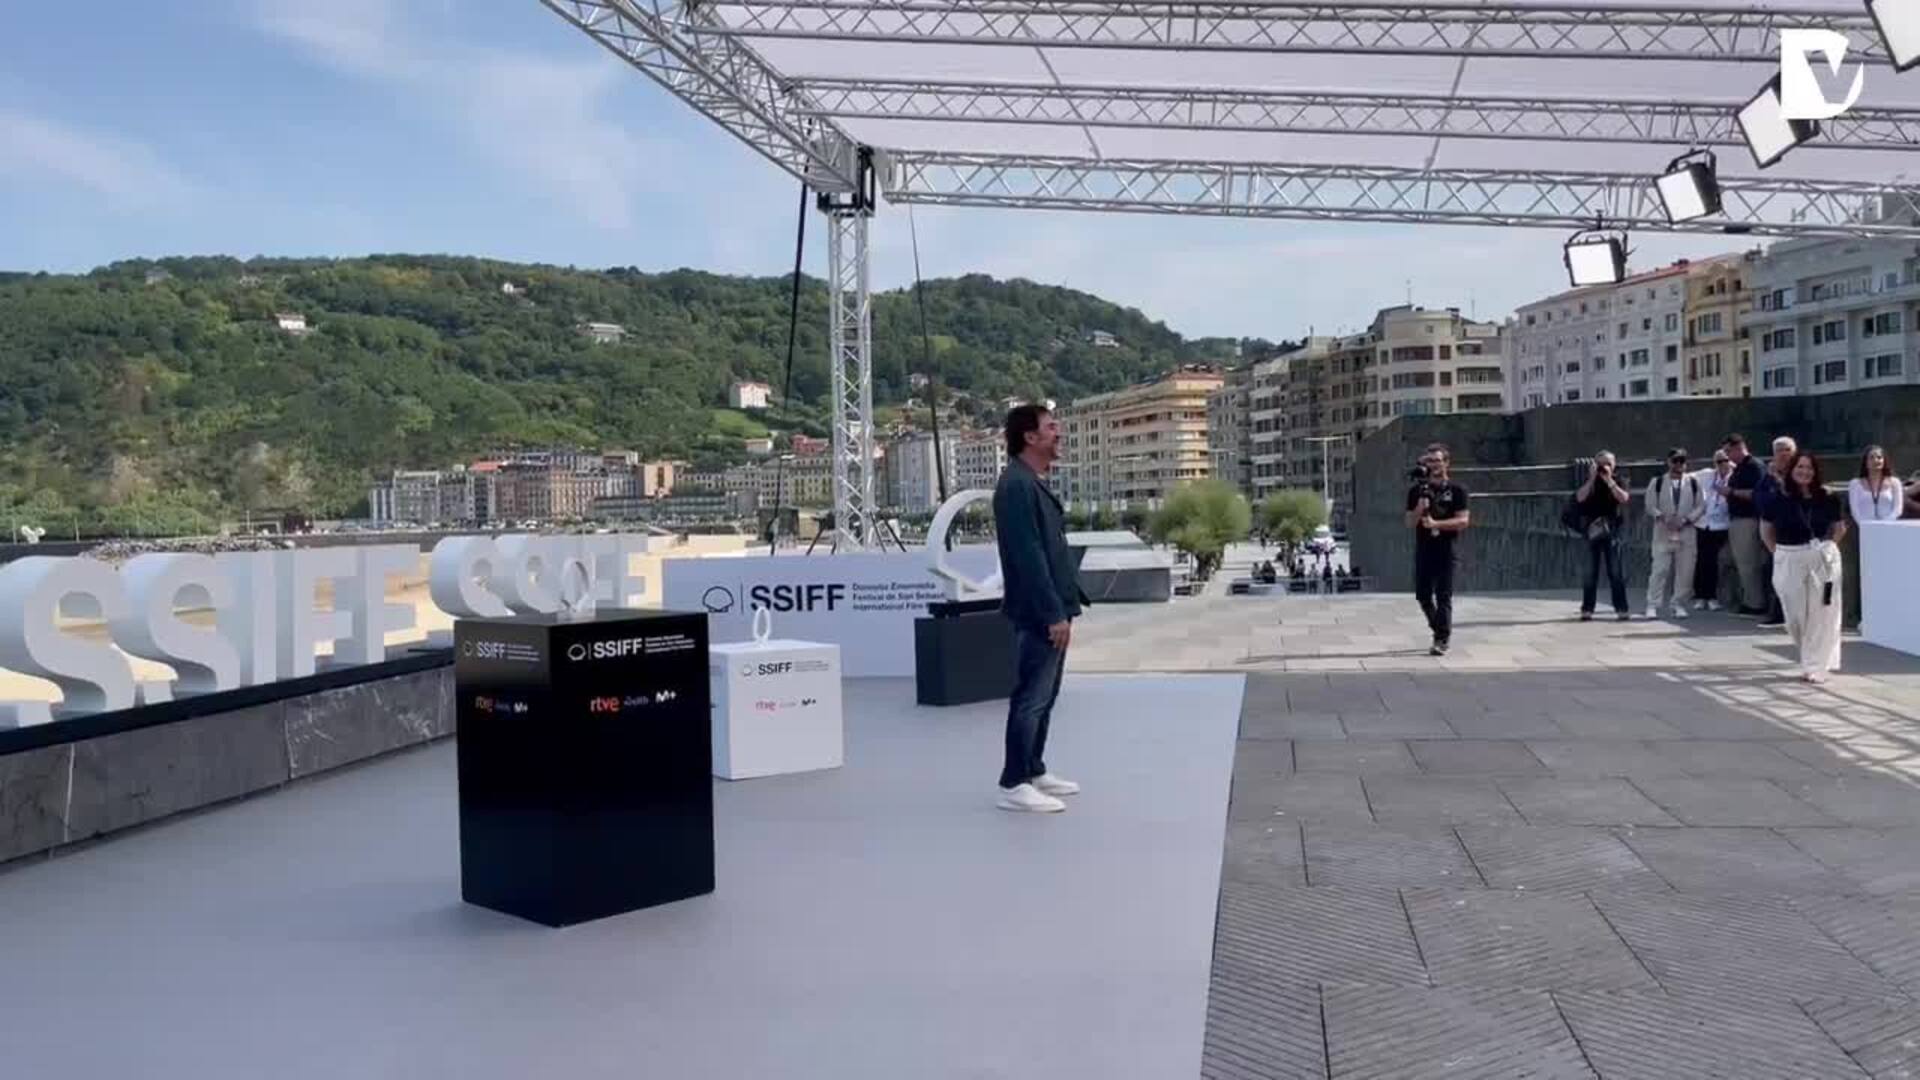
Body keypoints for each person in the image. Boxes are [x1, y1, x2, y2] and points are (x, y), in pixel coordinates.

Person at [992, 403, 1088, 814]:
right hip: (1039, 612)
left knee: (1046, 696)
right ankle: (1014, 783)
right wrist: (1052, 614)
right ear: (1029, 437)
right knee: (1031, 697)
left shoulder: (1029, 482)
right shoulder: (1017, 486)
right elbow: (1029, 556)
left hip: (1053, 608)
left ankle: (1033, 768)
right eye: (1051, 427)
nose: (1058, 432)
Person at [1763, 452, 1846, 683]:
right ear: (1792, 469)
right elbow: (1765, 529)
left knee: (1821, 613)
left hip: (1822, 558)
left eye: (1809, 468)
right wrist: (1778, 554)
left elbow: (1839, 528)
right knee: (1794, 615)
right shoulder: (1778, 497)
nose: (1805, 472)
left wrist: (1826, 549)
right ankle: (1810, 657)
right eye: (1800, 467)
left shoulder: (1828, 497)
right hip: (1788, 557)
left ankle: (1814, 665)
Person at [1404, 443, 1471, 655]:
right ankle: (1440, 630)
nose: (1433, 465)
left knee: (1443, 595)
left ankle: (1441, 639)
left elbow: (1463, 521)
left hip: (1447, 548)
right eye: (1429, 461)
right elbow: (1409, 522)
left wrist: (1437, 524)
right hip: (1424, 548)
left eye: (1437, 461)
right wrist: (1419, 507)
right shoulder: (1416, 492)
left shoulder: (1457, 490)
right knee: (1423, 595)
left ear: (1446, 463)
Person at [1644, 448, 1705, 619]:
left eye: (1682, 461)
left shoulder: (1693, 482)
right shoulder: (1657, 482)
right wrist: (1663, 517)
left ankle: (1678, 603)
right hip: (1663, 532)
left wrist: (1686, 519)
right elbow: (1650, 505)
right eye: (1675, 460)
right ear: (1668, 462)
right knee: (1659, 570)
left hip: (1686, 532)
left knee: (1686, 571)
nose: (1678, 464)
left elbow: (1701, 505)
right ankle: (1652, 604)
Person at [1575, 450, 1632, 621]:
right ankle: (1587, 608)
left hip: (1612, 530)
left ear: (1614, 465)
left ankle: (1621, 608)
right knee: (1589, 572)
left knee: (1615, 571)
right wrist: (1592, 479)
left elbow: (1624, 498)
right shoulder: (1589, 480)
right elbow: (1579, 498)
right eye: (1600, 464)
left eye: (1608, 463)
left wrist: (1609, 481)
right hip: (1591, 530)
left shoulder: (1619, 480)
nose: (1604, 467)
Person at [1723, 434, 1769, 616]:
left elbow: (1757, 493)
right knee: (1742, 563)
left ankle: (1755, 604)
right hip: (1739, 519)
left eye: (1729, 451)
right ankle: (1750, 599)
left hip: (1748, 520)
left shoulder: (1753, 466)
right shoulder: (1741, 467)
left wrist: (1731, 492)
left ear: (1739, 447)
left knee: (1749, 563)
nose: (1728, 456)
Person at [1755, 436, 1798, 627]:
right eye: (1779, 450)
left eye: (1787, 449)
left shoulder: (1801, 472)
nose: (1783, 454)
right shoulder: (1767, 478)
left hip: (1798, 532)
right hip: (1775, 532)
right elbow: (1760, 499)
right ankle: (1778, 613)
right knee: (1776, 573)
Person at [1692, 449, 1733, 610]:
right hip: (1704, 523)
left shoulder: (1734, 476)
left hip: (1721, 524)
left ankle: (1711, 596)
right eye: (1719, 462)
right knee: (1702, 560)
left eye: (1725, 460)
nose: (1722, 464)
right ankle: (1701, 596)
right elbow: (1687, 477)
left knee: (1712, 561)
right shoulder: (1707, 474)